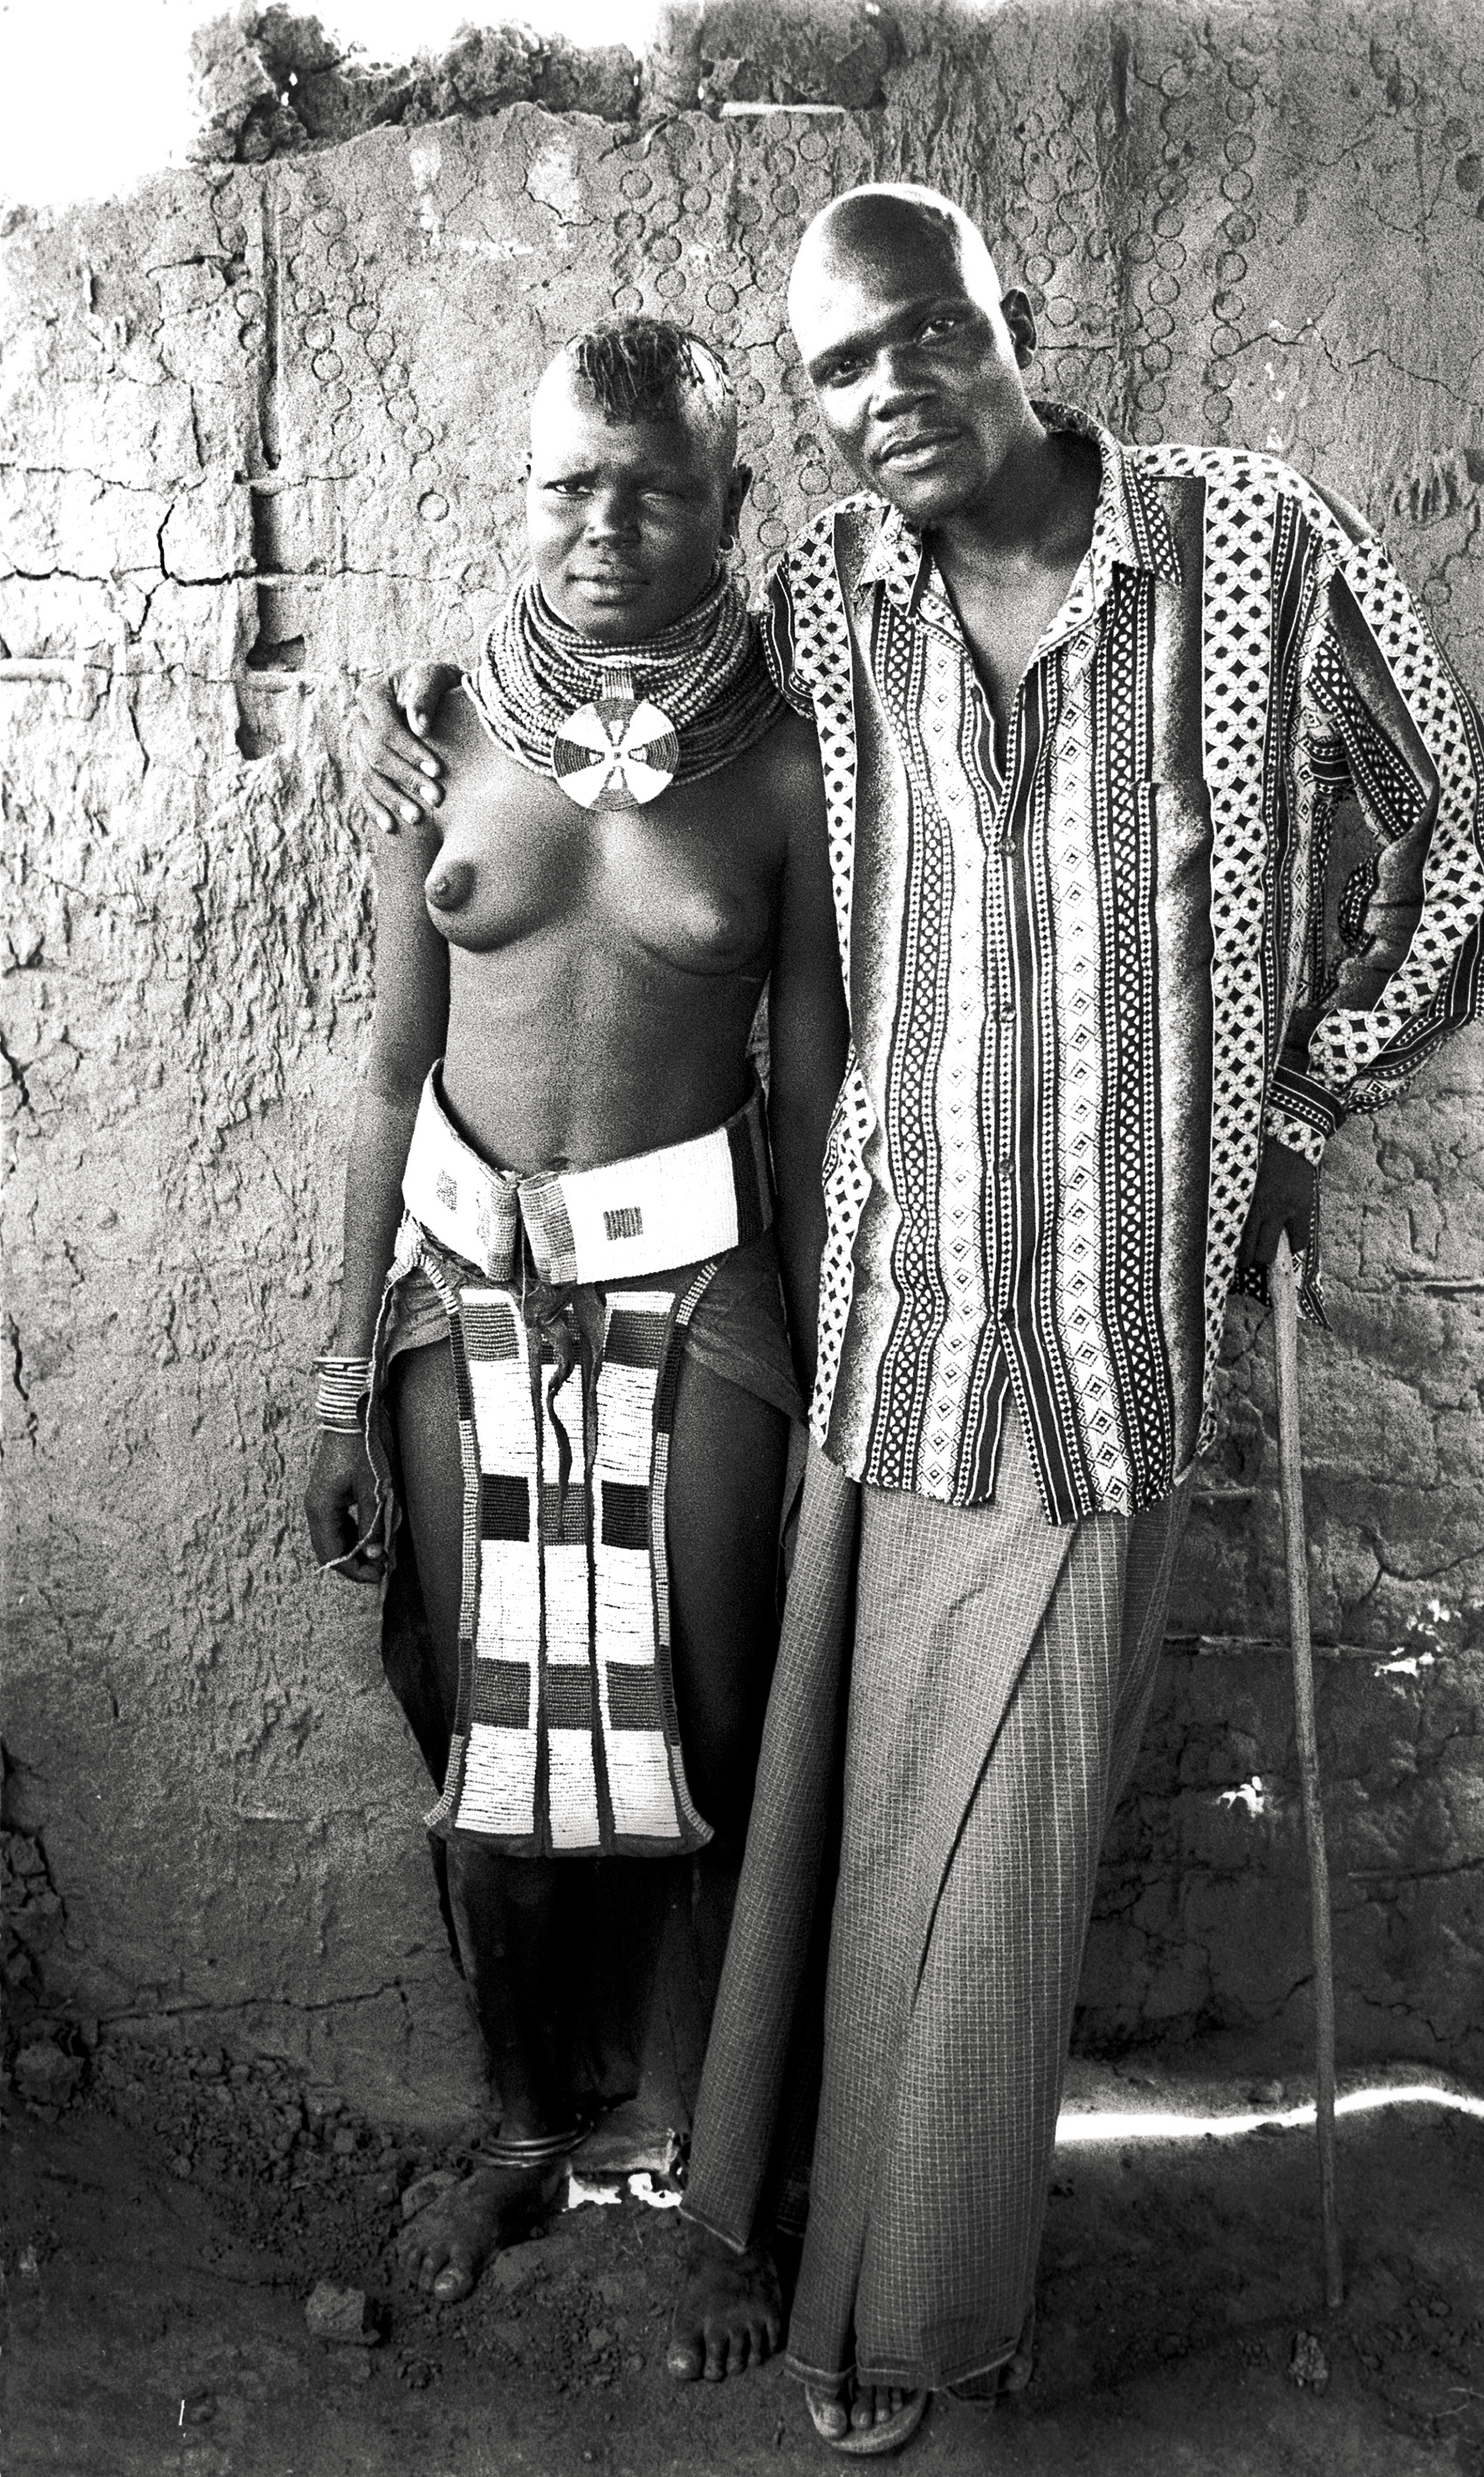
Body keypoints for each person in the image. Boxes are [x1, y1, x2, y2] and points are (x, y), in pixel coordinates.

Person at [358, 189, 1484, 2452]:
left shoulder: (1257, 550)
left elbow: (1459, 842)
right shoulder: (826, 598)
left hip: (1106, 1323)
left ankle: (913, 2319)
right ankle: (742, 2206)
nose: (887, 396)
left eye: (921, 340)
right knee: (834, 1818)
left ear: (1023, 321)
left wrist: (1308, 1074)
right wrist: (427, 718)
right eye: (839, 373)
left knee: (991, 1842)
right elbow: (626, 703)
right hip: (883, 1316)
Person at [307, 315, 846, 2309]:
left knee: (709, 1734)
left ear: (731, 503)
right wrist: (333, 1367)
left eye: (655, 487)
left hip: (700, 1293)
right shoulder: (435, 734)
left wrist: (822, 1363)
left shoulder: (785, 766)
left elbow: (810, 1089)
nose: (605, 524)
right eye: (568, 484)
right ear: (521, 488)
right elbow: (385, 1072)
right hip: (465, 1297)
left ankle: (725, 2190)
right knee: (490, 1738)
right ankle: (528, 2135)